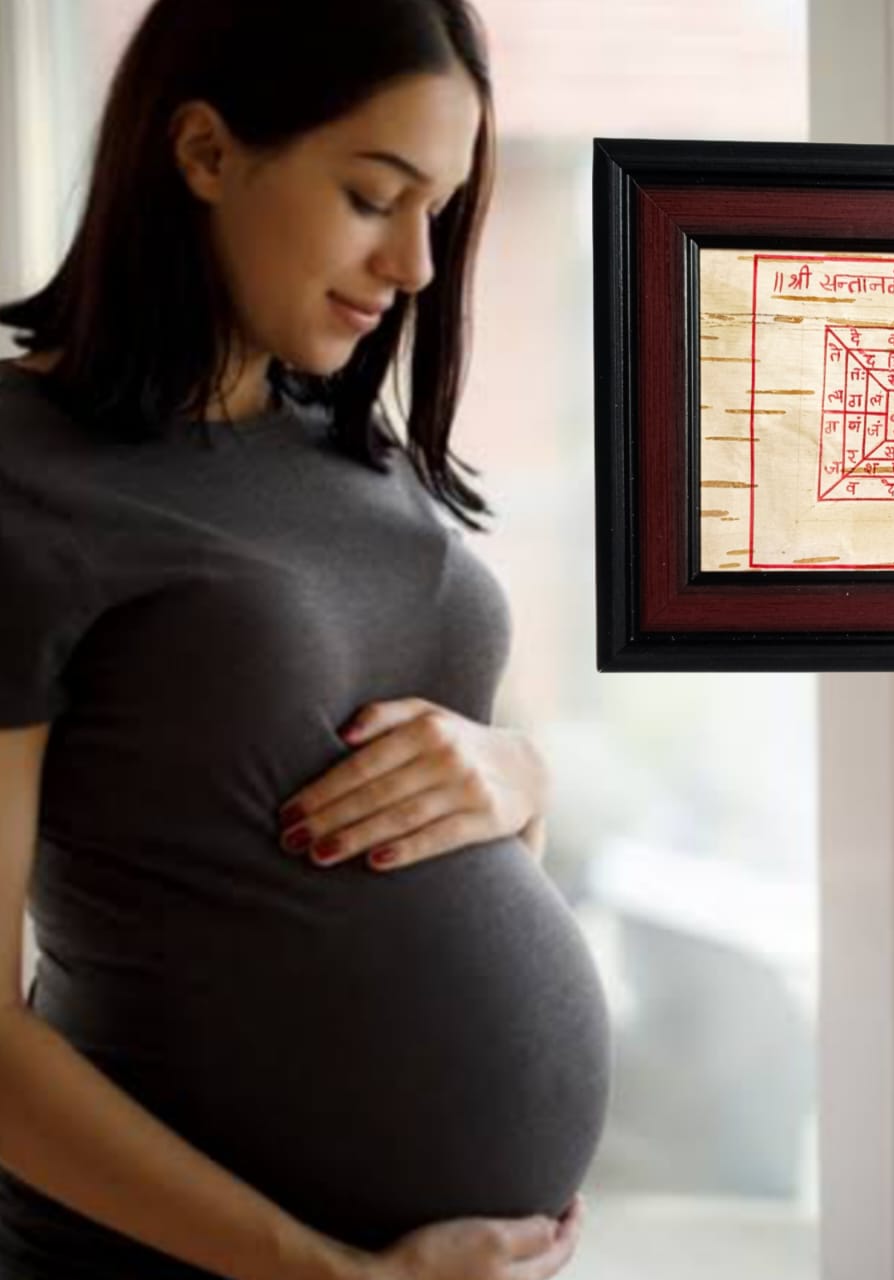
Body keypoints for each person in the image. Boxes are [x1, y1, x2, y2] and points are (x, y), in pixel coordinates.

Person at [0, 1, 612, 1277]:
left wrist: (514, 775)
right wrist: (326, 1270)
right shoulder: (25, 471)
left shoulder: (352, 448)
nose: (417, 267)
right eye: (374, 195)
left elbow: (415, 824)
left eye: (438, 209)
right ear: (208, 153)